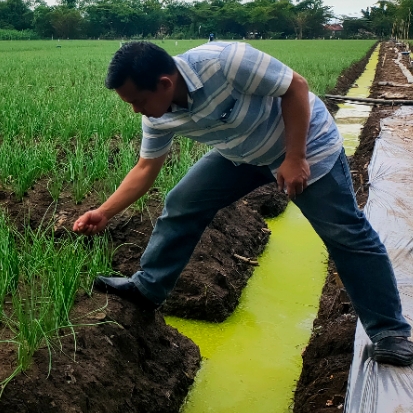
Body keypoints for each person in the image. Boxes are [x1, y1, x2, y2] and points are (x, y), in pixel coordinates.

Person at [73, 40, 413, 366]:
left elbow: (295, 86)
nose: (136, 110)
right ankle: (148, 288)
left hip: (305, 143)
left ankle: (390, 332)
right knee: (182, 203)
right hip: (242, 154)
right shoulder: (157, 115)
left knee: (345, 232)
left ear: (164, 83)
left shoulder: (225, 62)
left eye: (138, 101)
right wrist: (103, 212)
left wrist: (294, 157)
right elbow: (146, 168)